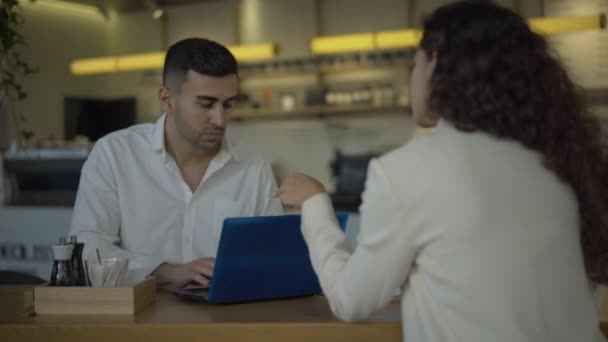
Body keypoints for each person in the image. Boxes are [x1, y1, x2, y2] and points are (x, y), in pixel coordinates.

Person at [277, 2, 608, 341]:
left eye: (415, 61)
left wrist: (316, 204)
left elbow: (352, 301)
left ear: (434, 62)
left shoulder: (406, 170)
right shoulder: (561, 160)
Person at [70, 38, 283, 289]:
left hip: (224, 320)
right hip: (139, 316)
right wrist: (164, 271)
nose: (220, 119)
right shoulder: (114, 155)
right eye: (206, 104)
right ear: (167, 99)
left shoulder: (253, 167)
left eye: (228, 104)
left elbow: (274, 255)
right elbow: (86, 249)